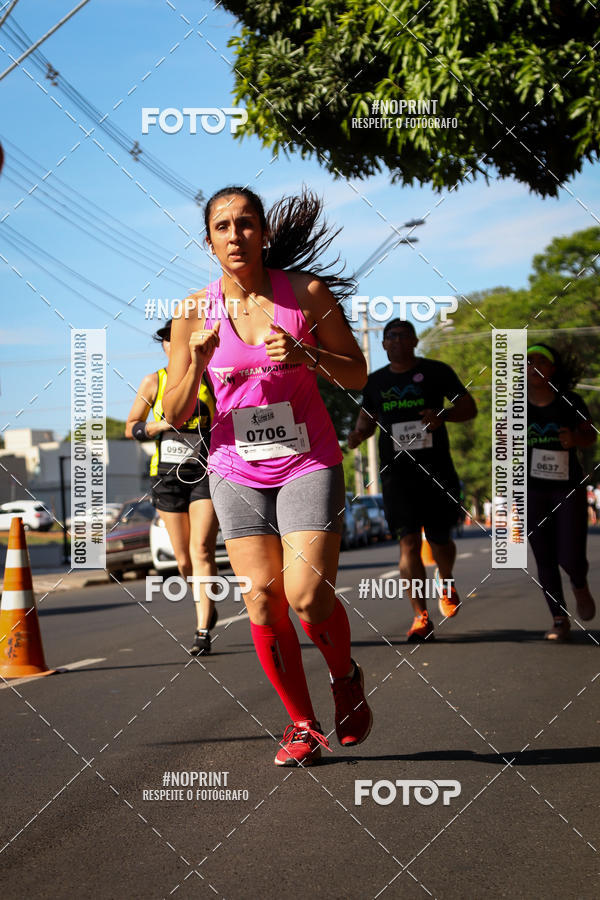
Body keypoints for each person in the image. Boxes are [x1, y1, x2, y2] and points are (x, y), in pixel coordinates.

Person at [162, 186, 373, 767]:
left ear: (265, 233)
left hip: (307, 459)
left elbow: (357, 375)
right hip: (235, 468)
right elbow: (176, 413)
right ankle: (301, 726)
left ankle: (344, 676)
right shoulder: (191, 313)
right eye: (223, 227)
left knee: (305, 596)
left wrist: (308, 357)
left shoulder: (304, 293)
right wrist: (199, 365)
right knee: (261, 599)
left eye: (247, 223)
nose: (236, 235)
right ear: (209, 242)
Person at [348, 319, 477, 641]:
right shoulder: (375, 382)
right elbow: (368, 415)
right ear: (383, 345)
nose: (396, 341)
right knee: (407, 541)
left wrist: (442, 415)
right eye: (390, 337)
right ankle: (420, 616)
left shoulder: (437, 371)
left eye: (403, 336)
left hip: (436, 470)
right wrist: (359, 434)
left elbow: (469, 407)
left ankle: (445, 579)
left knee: (439, 540)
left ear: (415, 340)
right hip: (396, 474)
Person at [125, 320, 220, 654]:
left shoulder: (211, 378)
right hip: (167, 476)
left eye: (180, 338)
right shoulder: (154, 381)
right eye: (169, 340)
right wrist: (158, 425)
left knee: (202, 550)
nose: (174, 345)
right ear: (164, 345)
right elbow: (131, 427)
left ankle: (202, 628)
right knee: (183, 561)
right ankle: (207, 603)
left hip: (206, 472)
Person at [526, 344, 596, 640]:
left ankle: (579, 582)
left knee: (569, 554)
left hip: (567, 487)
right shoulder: (516, 406)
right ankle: (559, 619)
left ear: (552, 369)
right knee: (544, 555)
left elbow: (591, 436)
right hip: (532, 490)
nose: (533, 365)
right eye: (528, 361)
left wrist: (575, 438)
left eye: (541, 360)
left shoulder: (570, 401)